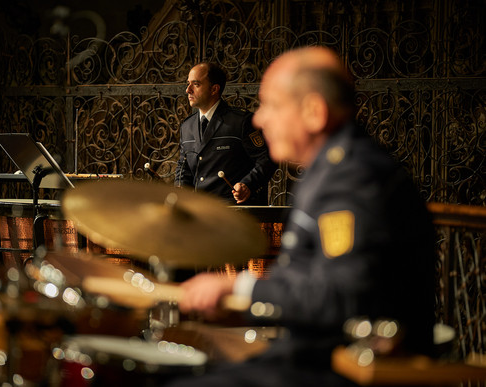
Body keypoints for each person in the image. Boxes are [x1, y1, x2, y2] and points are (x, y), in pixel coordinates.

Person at [168, 46, 436, 386]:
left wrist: (241, 287)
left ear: (314, 112)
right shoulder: (329, 170)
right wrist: (238, 304)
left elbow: (341, 296)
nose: (261, 118)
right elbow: (306, 281)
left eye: (272, 106)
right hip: (312, 355)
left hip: (346, 368)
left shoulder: (354, 178)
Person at [175, 62, 277, 205]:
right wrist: (180, 189)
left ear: (214, 89)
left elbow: (267, 159)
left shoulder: (241, 121)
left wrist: (248, 184)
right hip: (200, 212)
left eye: (196, 84)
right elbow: (183, 166)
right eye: (188, 84)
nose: (188, 90)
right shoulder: (187, 126)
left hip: (232, 212)